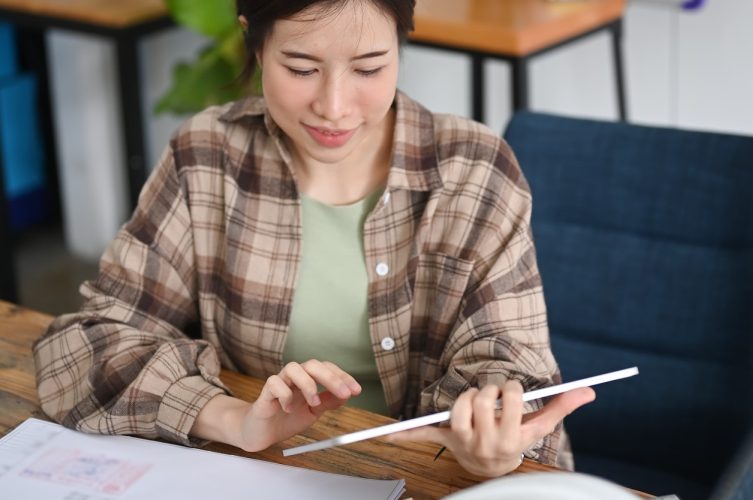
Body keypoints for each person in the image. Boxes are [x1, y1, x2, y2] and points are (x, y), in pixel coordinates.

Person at [33, 0, 595, 478]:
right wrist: (232, 418)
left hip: (439, 478)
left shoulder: (474, 168)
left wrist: (488, 434)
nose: (333, 106)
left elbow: (508, 364)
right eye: (301, 68)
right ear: (254, 40)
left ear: (400, 46)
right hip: (268, 472)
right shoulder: (207, 157)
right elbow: (86, 346)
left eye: (370, 68)